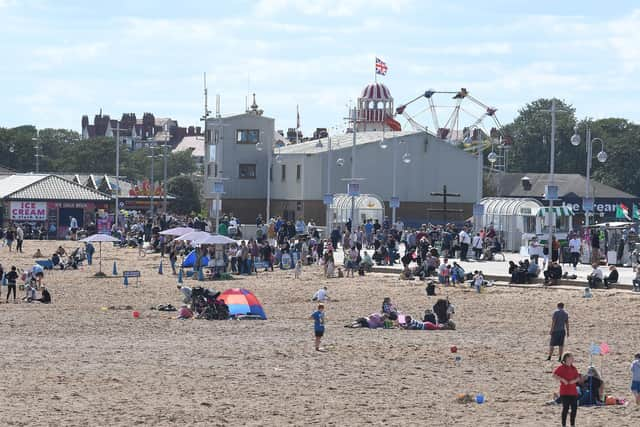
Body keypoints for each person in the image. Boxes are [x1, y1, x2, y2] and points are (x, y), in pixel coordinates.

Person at [553, 352, 580, 427]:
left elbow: (578, 378)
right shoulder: (561, 367)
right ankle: (563, 425)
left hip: (573, 392)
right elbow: (554, 375)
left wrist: (573, 381)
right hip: (564, 392)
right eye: (571, 357)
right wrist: (562, 379)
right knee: (565, 408)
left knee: (574, 409)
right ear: (566, 358)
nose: (573, 359)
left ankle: (572, 425)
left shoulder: (574, 368)